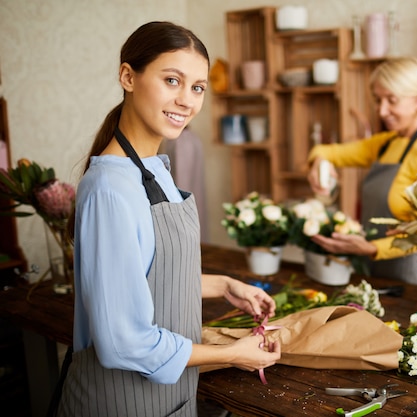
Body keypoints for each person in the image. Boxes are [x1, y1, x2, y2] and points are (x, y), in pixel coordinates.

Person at [56, 21, 280, 417]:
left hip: (168, 398)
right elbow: (122, 341)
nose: (186, 101)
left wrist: (225, 285)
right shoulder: (110, 187)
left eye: (197, 88)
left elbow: (146, 278)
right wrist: (231, 354)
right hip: (119, 403)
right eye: (172, 80)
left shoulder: (155, 168)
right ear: (128, 76)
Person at [307, 57, 417, 287]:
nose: (382, 110)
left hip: (409, 277)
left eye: (391, 100)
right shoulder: (385, 143)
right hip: (372, 267)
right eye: (378, 100)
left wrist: (373, 248)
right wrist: (318, 161)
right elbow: (329, 151)